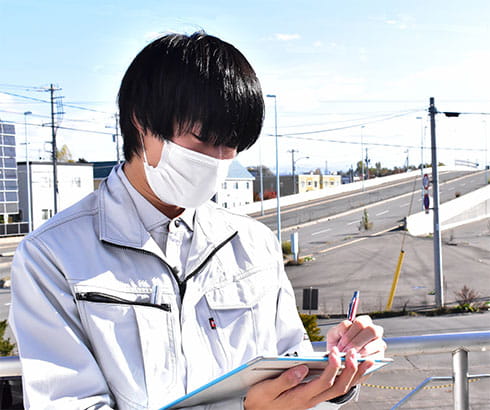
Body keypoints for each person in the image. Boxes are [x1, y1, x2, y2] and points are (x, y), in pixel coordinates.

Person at [9, 32, 386, 409]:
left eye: (230, 143)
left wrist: (335, 370)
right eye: (203, 139)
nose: (217, 159)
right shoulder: (53, 256)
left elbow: (289, 366)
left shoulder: (254, 243)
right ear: (142, 122)